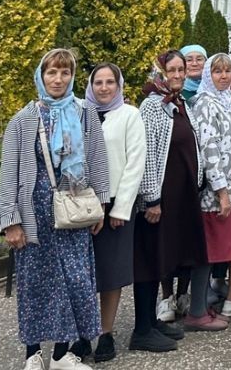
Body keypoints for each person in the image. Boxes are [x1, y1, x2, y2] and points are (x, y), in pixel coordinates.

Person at [2, 49, 110, 370]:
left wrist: (100, 204)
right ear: (41, 75)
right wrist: (11, 221)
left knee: (73, 281)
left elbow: (97, 158)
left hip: (73, 210)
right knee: (36, 282)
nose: (58, 79)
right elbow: (9, 171)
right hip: (35, 214)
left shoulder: (84, 113)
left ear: (73, 76)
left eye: (65, 73)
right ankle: (33, 353)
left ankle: (62, 354)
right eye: (52, 72)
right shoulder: (23, 119)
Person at [133, 51, 207, 351]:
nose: (177, 75)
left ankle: (153, 323)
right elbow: (147, 153)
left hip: (181, 197)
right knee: (151, 261)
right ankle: (141, 329)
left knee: (166, 259)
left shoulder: (179, 103)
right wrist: (151, 198)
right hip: (159, 199)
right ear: (160, 73)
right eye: (171, 70)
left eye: (181, 70)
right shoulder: (152, 105)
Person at [85, 64, 146, 363]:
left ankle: (105, 333)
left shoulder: (129, 115)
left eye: (110, 82)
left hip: (115, 206)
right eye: (98, 82)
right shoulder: (80, 114)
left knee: (110, 273)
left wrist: (120, 207)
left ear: (119, 85)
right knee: (82, 274)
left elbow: (135, 163)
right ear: (90, 84)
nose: (104, 87)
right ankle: (82, 334)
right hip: (82, 206)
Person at [189, 54, 231, 332]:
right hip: (214, 195)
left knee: (216, 253)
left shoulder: (225, 101)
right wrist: (222, 191)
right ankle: (196, 311)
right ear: (207, 75)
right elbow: (209, 148)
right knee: (207, 253)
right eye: (218, 71)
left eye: (228, 71)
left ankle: (204, 305)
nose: (224, 76)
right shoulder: (204, 103)